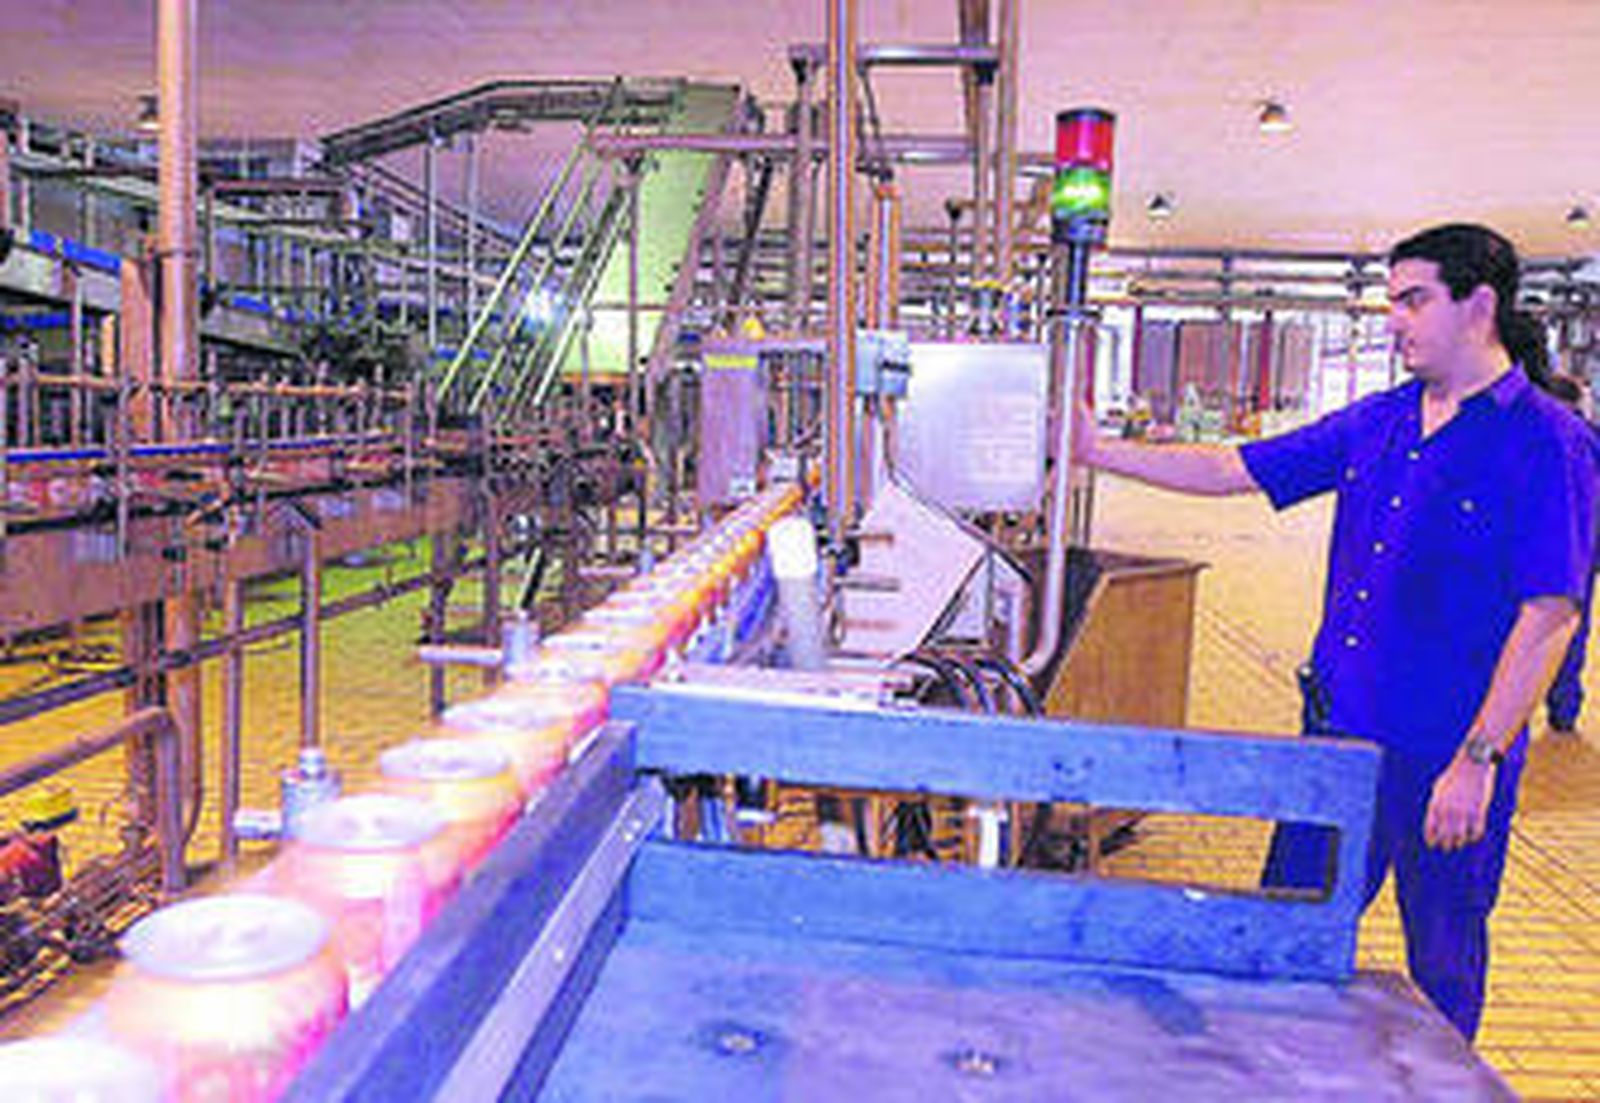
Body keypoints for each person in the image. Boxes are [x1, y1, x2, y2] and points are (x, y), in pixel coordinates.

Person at [1072, 223, 1598, 1041]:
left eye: (1414, 300)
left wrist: (1478, 759)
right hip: (1339, 741)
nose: (1395, 319)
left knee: (1443, 960)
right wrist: (1096, 451)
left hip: (1445, 756)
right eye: (1391, 301)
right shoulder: (1379, 420)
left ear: (1479, 305)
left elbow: (1549, 613)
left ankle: (1440, 1089)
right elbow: (1233, 468)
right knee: (1287, 939)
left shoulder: (1547, 442)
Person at [1540, 373, 1599, 732]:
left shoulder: (1531, 433)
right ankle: (1564, 711)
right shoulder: (1591, 437)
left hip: (1533, 545)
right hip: (1581, 548)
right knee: (1571, 626)